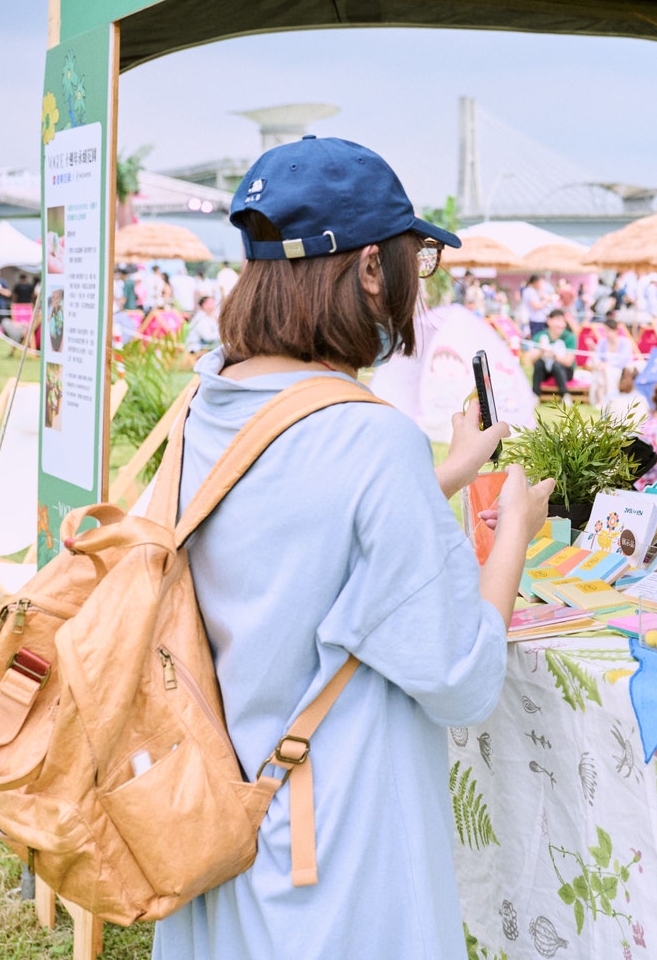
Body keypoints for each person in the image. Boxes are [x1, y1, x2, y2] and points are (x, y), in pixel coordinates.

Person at [152, 135, 553, 959]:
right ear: (372, 268)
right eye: (414, 261)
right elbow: (462, 677)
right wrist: (512, 529)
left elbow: (293, 531)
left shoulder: (206, 405)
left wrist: (439, 473)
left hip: (217, 826)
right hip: (334, 851)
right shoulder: (370, 440)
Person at [530, 307, 577, 401]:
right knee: (539, 363)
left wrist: (554, 355)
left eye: (562, 321)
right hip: (546, 370)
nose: (560, 324)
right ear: (549, 321)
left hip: (564, 371)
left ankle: (565, 395)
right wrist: (542, 349)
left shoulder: (570, 337)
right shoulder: (540, 335)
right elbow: (531, 359)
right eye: (557, 320)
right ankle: (535, 395)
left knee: (557, 365)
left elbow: (568, 362)